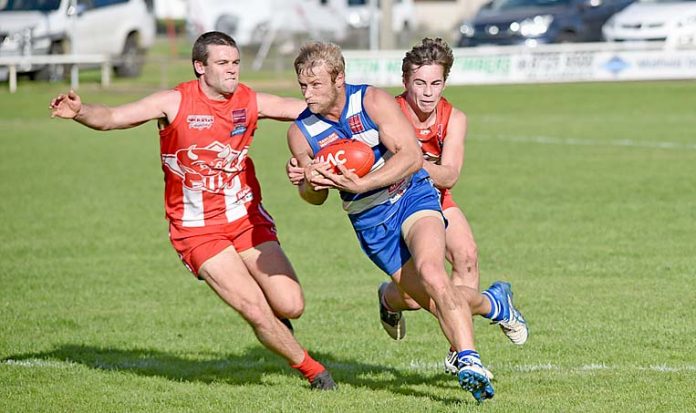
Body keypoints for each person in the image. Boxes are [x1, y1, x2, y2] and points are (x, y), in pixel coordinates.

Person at [49, 31, 336, 390]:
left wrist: (367, 111)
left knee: (290, 305)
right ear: (200, 66)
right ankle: (314, 372)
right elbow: (113, 116)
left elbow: (310, 110)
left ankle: (279, 327)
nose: (232, 71)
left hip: (246, 219)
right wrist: (80, 111)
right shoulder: (174, 102)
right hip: (196, 229)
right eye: (222, 64)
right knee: (254, 309)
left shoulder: (249, 100)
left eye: (235, 63)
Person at [285, 41, 526, 402]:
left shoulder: (371, 101)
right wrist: (308, 181)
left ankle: (470, 362)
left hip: (411, 195)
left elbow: (412, 156)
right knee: (431, 301)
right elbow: (314, 198)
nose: (308, 94)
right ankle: (494, 303)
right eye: (303, 85)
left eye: (316, 85)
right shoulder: (301, 132)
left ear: (339, 78)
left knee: (433, 272)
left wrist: (363, 182)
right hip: (370, 222)